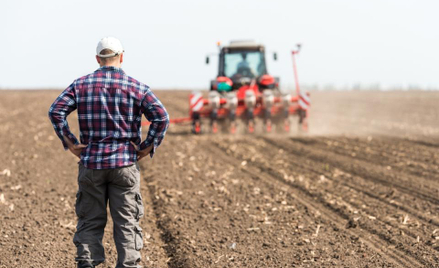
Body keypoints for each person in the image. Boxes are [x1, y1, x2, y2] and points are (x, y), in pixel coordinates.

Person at [48, 37, 169, 268]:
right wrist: (147, 146)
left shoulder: (80, 85)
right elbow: (161, 117)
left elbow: (55, 111)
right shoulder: (137, 87)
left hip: (91, 164)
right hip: (124, 165)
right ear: (122, 57)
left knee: (90, 221)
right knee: (126, 223)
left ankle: (87, 263)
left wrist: (71, 143)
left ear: (97, 59)